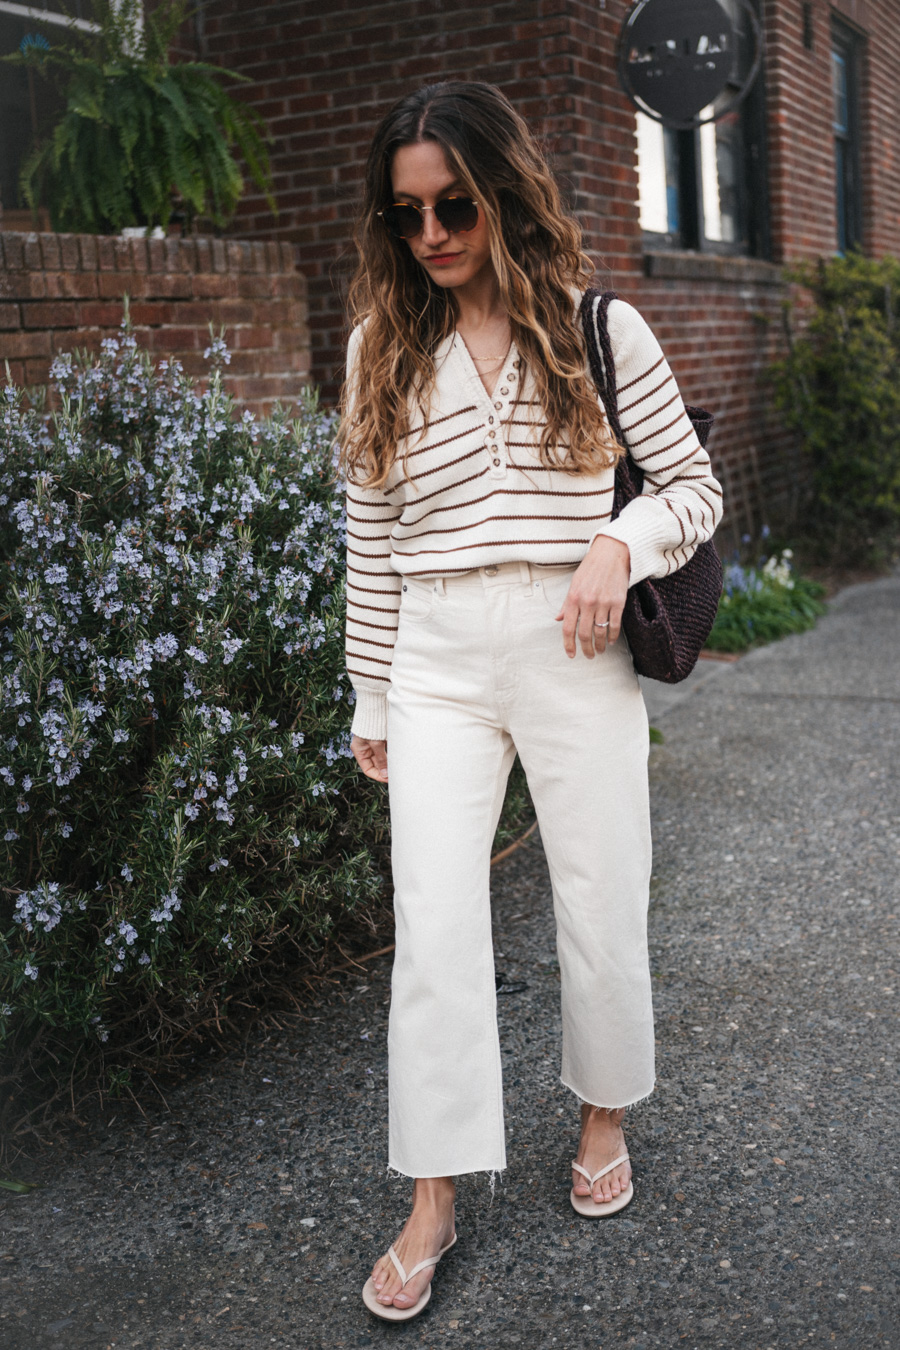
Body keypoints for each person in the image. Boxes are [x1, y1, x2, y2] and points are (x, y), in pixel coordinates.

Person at [339, 81, 723, 1321]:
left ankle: (603, 1113)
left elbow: (693, 489)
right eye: (408, 215)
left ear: (504, 192)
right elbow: (369, 533)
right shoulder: (380, 349)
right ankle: (436, 1193)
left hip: (575, 638)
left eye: (455, 204)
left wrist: (620, 546)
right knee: (433, 928)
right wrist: (370, 694)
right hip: (437, 658)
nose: (434, 233)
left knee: (603, 889)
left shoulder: (599, 329)